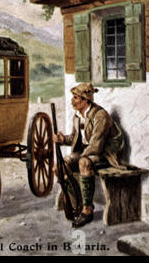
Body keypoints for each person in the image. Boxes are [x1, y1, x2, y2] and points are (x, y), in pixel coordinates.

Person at [53, 83, 125, 228]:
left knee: (84, 163)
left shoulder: (100, 116)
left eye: (76, 98)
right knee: (59, 167)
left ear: (86, 100)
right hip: (88, 152)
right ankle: (75, 203)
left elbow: (96, 145)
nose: (72, 101)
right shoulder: (78, 116)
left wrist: (79, 159)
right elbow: (74, 138)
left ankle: (87, 210)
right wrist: (62, 139)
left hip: (106, 154)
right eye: (73, 97)